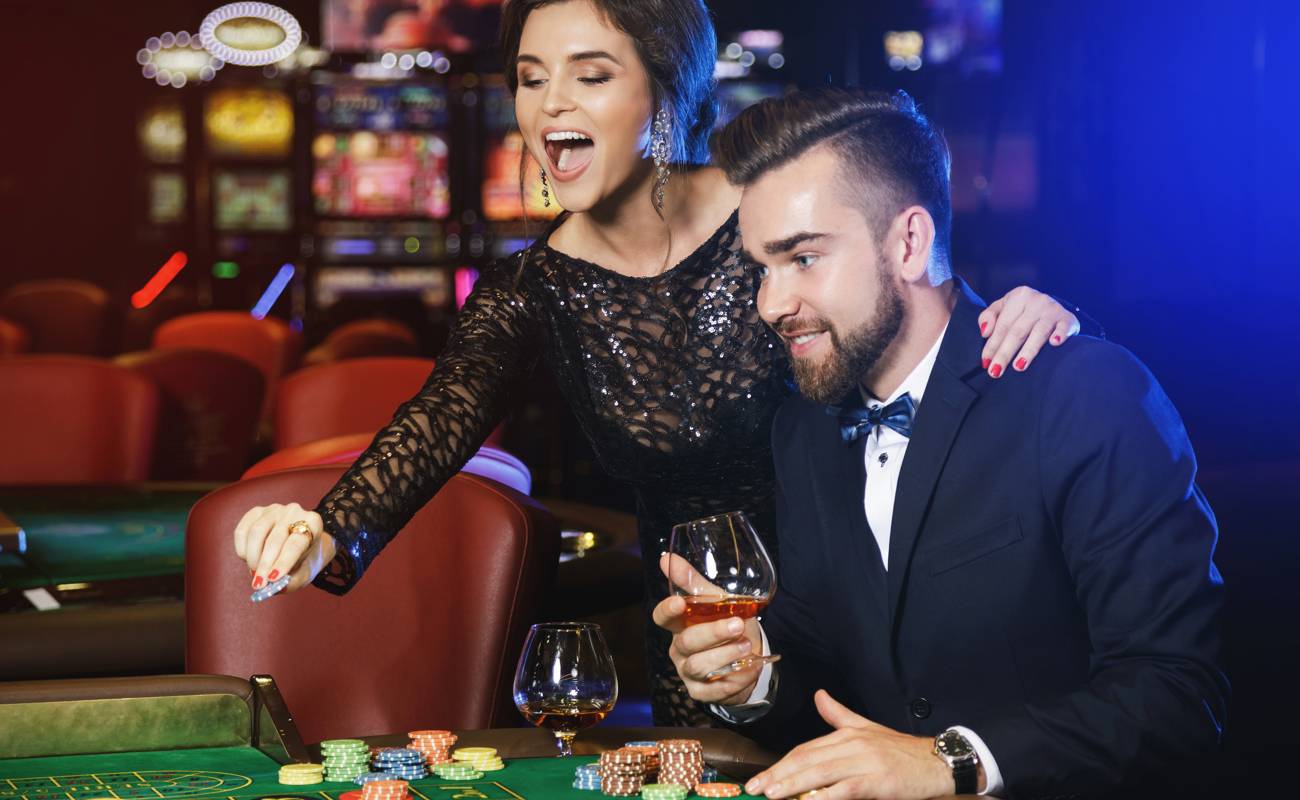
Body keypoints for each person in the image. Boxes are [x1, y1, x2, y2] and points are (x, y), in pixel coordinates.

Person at [231, 0, 1084, 726]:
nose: (549, 104)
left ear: (667, 89)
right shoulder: (533, 288)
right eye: (531, 77)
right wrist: (328, 525)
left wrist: (1026, 317)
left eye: (590, 75)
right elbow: (436, 419)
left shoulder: (770, 216)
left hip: (884, 615)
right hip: (707, 649)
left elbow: (909, 296)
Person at [654, 87, 1228, 796]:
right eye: (760, 269)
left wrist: (952, 762)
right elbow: (830, 679)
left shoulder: (1083, 393)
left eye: (802, 258)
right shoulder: (802, 430)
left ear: (909, 242)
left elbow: (1180, 696)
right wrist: (754, 675)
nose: (771, 303)